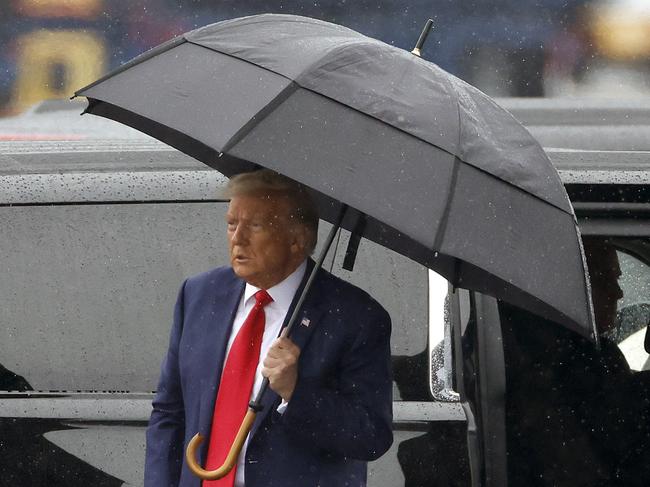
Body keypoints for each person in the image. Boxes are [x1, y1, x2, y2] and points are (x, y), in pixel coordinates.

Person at [144, 169, 393, 487]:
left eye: (255, 225)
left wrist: (295, 392)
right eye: (232, 224)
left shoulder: (356, 316)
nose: (237, 239)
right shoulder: (198, 295)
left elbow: (370, 435)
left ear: (297, 239)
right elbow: (169, 411)